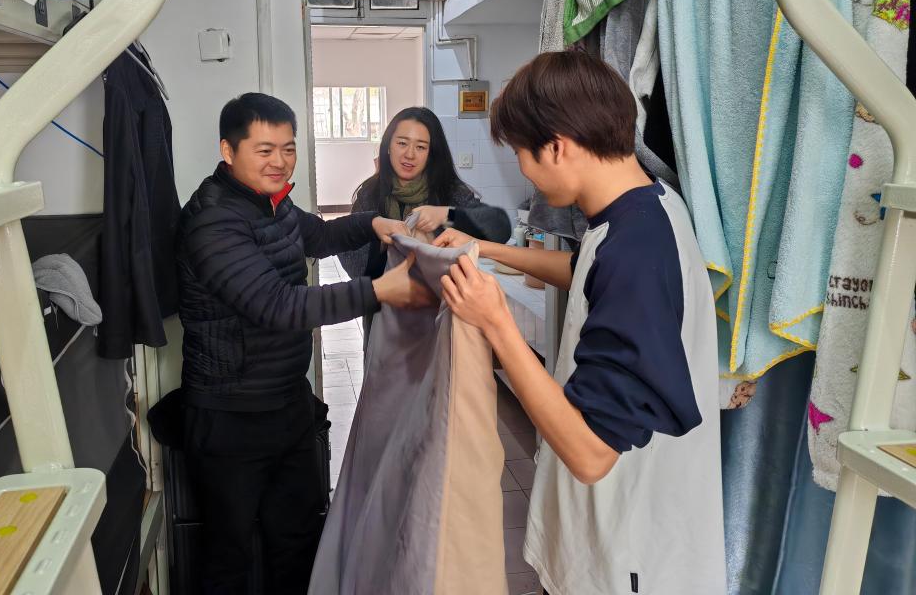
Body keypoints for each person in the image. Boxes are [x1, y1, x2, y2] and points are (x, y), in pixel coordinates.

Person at [436, 50, 725, 594]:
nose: (523, 169)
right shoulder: (645, 207)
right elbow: (587, 268)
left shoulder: (635, 249)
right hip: (617, 533)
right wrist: (487, 249)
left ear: (556, 146)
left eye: (520, 153)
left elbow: (592, 454)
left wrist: (496, 322)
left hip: (627, 555)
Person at [175, 93, 434, 594]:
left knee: (297, 539)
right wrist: (379, 291)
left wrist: (371, 223)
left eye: (288, 148)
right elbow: (278, 306)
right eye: (264, 150)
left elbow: (318, 236)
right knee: (228, 553)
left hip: (286, 404)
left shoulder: (273, 203)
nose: (279, 161)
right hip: (230, 415)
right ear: (228, 151)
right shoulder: (213, 221)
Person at [340, 106, 511, 280]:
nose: (410, 154)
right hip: (383, 294)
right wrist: (382, 240)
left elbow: (499, 228)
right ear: (388, 146)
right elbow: (352, 263)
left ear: (431, 154)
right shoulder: (370, 194)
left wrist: (447, 215)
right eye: (402, 143)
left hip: (441, 294)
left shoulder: (448, 190)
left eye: (421, 147)